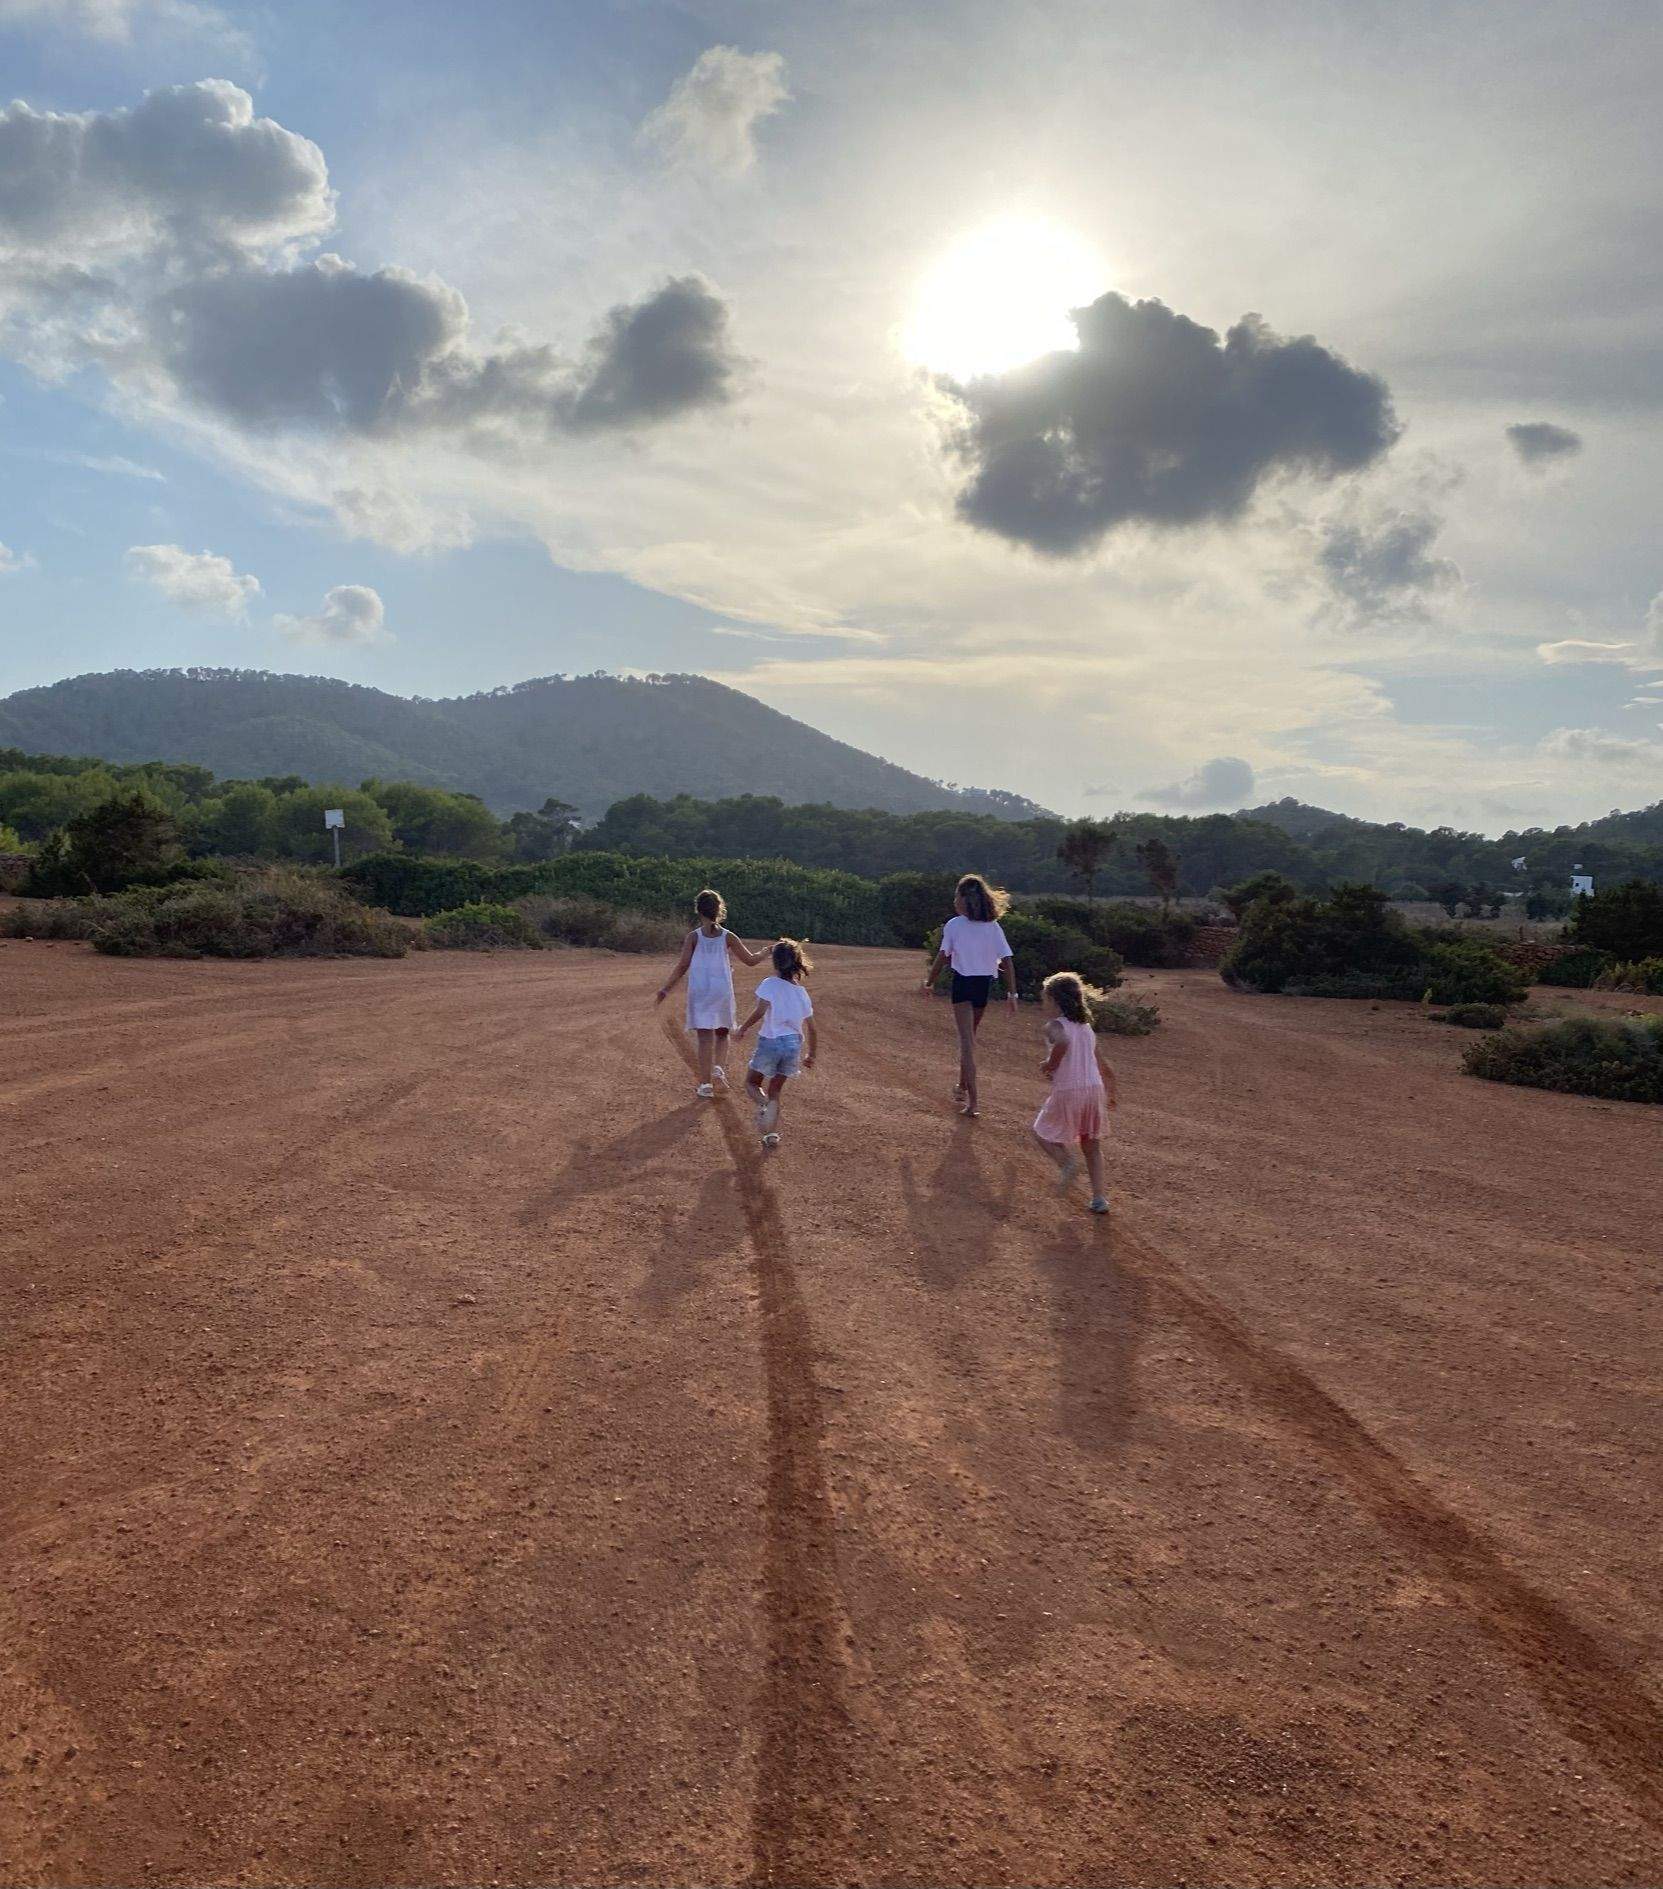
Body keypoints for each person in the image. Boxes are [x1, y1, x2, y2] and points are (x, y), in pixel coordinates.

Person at [920, 872, 1016, 1117]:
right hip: (983, 985)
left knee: (967, 1043)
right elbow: (1007, 960)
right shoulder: (993, 927)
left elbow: (943, 957)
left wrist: (929, 982)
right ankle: (962, 1086)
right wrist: (1012, 994)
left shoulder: (954, 925)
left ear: (964, 899)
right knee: (970, 1037)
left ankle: (973, 1101)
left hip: (963, 985)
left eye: (956, 896)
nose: (954, 900)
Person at [656, 889, 766, 1098]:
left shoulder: (693, 937)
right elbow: (751, 960)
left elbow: (682, 967)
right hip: (721, 989)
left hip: (700, 990)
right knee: (722, 1033)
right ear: (719, 911)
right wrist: (766, 951)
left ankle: (705, 1084)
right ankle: (719, 1069)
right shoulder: (728, 937)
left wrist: (665, 989)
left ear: (699, 911)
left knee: (705, 1038)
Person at [1031, 970, 1118, 1214]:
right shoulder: (1086, 1028)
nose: (1043, 1004)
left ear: (1056, 1001)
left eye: (1046, 999)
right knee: (1092, 1146)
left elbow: (1062, 1043)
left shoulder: (1054, 1025)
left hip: (1069, 1090)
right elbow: (1103, 1064)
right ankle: (1099, 1198)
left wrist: (1049, 1065)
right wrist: (1111, 1091)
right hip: (1093, 1090)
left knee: (1041, 1132)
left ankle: (1066, 1163)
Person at [734, 938, 816, 1149]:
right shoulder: (802, 993)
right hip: (793, 1046)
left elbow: (759, 1012)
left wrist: (742, 1029)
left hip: (771, 1041)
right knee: (776, 1091)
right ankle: (771, 1134)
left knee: (752, 1083)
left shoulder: (769, 984)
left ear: (775, 962)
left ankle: (764, 1106)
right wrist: (811, 1055)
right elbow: (812, 1028)